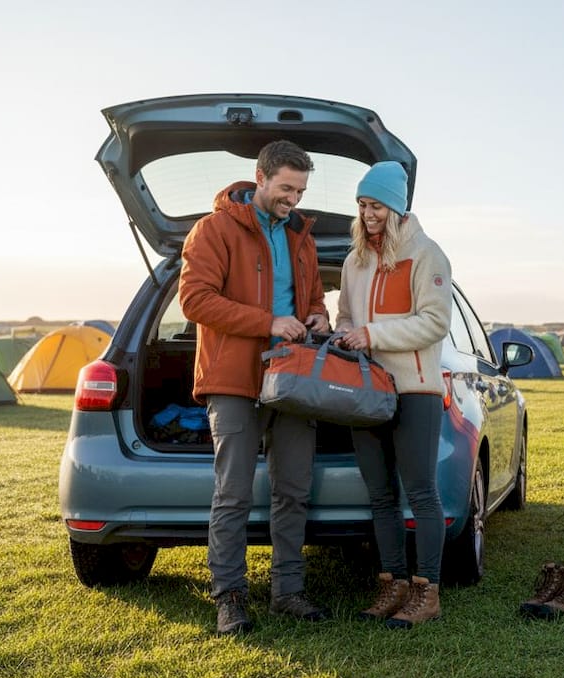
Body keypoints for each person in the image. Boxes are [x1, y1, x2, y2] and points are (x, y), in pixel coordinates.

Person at [179, 139, 332, 635]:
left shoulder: (301, 237)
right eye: (287, 188)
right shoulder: (214, 229)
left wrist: (317, 316)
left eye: (301, 190)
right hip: (233, 379)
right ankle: (229, 596)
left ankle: (289, 592)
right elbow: (195, 300)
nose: (294, 199)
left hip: (292, 379)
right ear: (261, 177)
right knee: (233, 494)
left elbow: (313, 300)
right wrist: (269, 321)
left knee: (293, 490)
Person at [335, 161, 453, 629]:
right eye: (363, 205)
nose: (368, 214)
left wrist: (371, 334)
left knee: (421, 492)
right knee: (380, 495)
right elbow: (345, 315)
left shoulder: (427, 255)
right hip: (365, 392)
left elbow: (434, 322)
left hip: (414, 389)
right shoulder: (353, 261)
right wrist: (346, 332)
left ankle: (427, 591)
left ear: (397, 208)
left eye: (377, 205)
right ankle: (393, 585)